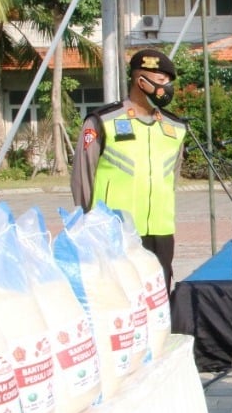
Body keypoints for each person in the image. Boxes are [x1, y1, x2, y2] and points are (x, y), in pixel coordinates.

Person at [72, 48, 187, 293]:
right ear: (141, 82)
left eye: (168, 82)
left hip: (161, 232)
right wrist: (89, 223)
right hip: (114, 232)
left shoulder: (175, 128)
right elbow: (83, 178)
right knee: (117, 299)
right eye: (161, 80)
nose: (166, 87)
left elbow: (172, 179)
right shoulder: (102, 121)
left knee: (158, 300)